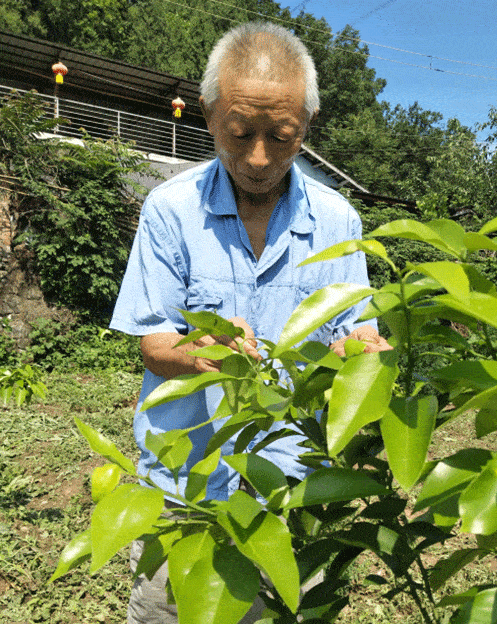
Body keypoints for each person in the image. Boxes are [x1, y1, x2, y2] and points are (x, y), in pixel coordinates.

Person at [110, 20, 391, 624]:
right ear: (210, 116)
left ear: (306, 127)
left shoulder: (339, 221)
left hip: (291, 490)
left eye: (282, 136)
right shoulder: (170, 211)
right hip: (184, 493)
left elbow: (354, 332)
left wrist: (364, 353)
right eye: (239, 134)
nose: (259, 158)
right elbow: (153, 342)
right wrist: (196, 351)